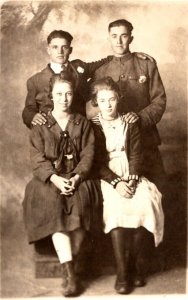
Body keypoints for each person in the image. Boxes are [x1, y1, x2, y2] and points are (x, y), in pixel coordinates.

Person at [22, 72, 102, 297]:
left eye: (68, 93)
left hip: (78, 176)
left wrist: (76, 177)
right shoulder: (41, 124)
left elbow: (89, 154)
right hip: (50, 179)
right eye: (59, 94)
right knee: (53, 203)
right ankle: (70, 273)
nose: (64, 98)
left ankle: (71, 264)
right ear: (51, 96)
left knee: (82, 201)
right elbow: (36, 158)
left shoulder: (82, 123)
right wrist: (56, 178)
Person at [91, 77, 164, 294]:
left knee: (145, 202)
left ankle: (135, 266)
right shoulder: (93, 125)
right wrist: (116, 183)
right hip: (107, 177)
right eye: (103, 100)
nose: (108, 105)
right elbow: (96, 162)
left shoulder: (130, 122)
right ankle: (122, 273)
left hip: (131, 173)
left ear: (118, 99)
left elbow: (136, 154)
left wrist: (131, 179)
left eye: (112, 99)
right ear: (96, 102)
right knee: (116, 210)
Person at [87, 19, 166, 190]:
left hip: (146, 139)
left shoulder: (146, 64)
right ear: (108, 38)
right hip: (113, 145)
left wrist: (140, 118)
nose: (119, 41)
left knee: (156, 190)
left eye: (123, 36)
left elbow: (159, 100)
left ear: (131, 38)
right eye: (114, 36)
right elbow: (93, 101)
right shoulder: (101, 70)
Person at [22, 29, 154, 129]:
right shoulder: (35, 81)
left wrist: (132, 55)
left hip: (82, 129)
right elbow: (29, 109)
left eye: (65, 47)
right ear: (48, 50)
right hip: (53, 131)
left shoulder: (80, 67)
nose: (60, 52)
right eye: (55, 47)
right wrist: (32, 116)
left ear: (71, 49)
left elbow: (106, 60)